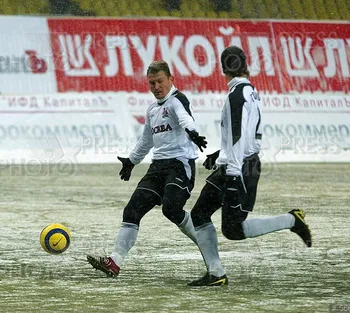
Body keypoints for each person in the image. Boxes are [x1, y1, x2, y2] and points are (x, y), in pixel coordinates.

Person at [188, 46, 312, 286]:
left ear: (222, 68)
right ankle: (216, 274)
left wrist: (233, 176)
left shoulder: (237, 95)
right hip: (238, 162)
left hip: (240, 167)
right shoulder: (249, 91)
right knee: (200, 214)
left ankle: (291, 220)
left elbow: (237, 137)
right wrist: (220, 153)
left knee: (233, 229)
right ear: (245, 64)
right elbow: (243, 134)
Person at [87, 60, 207, 277]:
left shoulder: (177, 100)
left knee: (171, 209)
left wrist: (193, 133)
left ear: (171, 79)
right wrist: (131, 161)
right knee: (131, 211)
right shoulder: (152, 109)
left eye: (160, 81)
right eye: (152, 83)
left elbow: (185, 118)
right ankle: (114, 262)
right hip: (157, 168)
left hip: (180, 165)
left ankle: (208, 246)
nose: (156, 87)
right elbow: (146, 141)